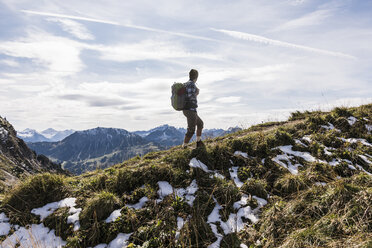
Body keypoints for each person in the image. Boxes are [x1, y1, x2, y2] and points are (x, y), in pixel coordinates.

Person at [182, 69, 204, 148]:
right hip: (190, 110)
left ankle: (198, 142)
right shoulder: (191, 84)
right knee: (191, 129)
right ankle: (184, 146)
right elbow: (190, 96)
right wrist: (197, 93)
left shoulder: (185, 84)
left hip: (188, 109)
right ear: (196, 77)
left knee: (200, 123)